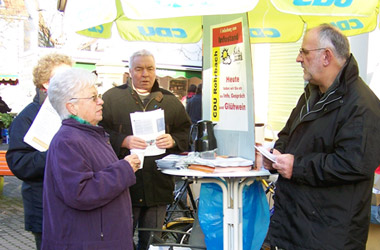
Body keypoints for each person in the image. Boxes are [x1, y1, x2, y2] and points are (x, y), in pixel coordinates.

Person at [262, 24, 380, 250]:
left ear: (326, 56)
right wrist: (277, 155)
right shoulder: (312, 94)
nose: (298, 58)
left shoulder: (363, 106)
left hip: (330, 236)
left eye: (304, 52)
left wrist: (297, 166)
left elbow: (353, 164)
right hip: (297, 227)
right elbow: (288, 134)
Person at [99, 49, 192, 250]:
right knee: (119, 242)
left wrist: (174, 140)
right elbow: (97, 133)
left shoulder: (170, 101)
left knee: (153, 244)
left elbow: (187, 132)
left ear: (155, 71)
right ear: (130, 72)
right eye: (139, 69)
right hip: (123, 187)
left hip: (158, 187)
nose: (145, 74)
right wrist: (123, 141)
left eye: (150, 68)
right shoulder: (112, 99)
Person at [41, 68, 140, 249]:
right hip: (86, 242)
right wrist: (124, 168)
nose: (101, 101)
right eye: (93, 97)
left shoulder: (88, 135)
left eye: (98, 95)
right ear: (72, 107)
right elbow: (81, 192)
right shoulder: (68, 140)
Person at [6, 53, 73, 250]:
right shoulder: (28, 117)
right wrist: (54, 155)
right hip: (44, 206)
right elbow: (19, 163)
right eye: (62, 78)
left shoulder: (74, 112)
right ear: (45, 84)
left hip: (74, 204)